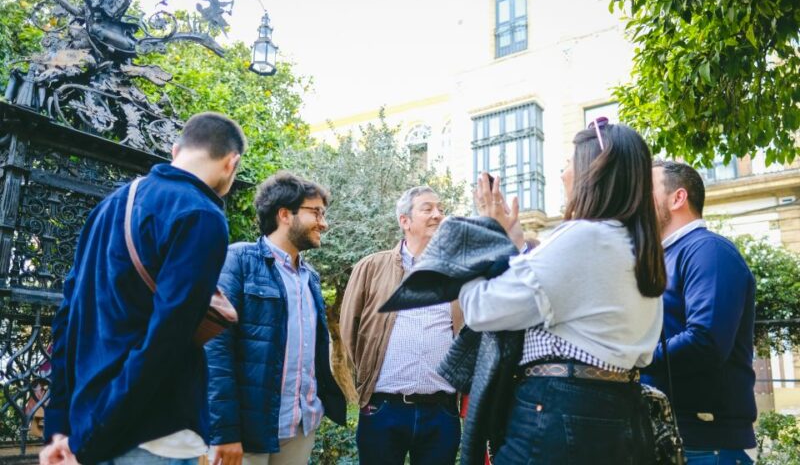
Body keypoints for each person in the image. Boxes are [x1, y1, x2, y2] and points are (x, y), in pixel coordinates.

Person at [41, 112, 246, 465]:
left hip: (86, 426)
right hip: (151, 434)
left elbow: (67, 319)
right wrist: (89, 441)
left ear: (174, 149)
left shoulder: (109, 207)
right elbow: (164, 341)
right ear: (232, 162)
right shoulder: (202, 214)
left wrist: (61, 429)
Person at [459, 119, 665, 464]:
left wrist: (484, 237)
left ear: (593, 172)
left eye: (569, 162)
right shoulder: (636, 244)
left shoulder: (584, 237)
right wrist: (516, 244)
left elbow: (482, 309)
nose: (563, 172)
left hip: (560, 408)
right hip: (618, 409)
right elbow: (565, 297)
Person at [206, 172, 346, 465]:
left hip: (300, 426)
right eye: (316, 212)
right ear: (284, 214)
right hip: (248, 431)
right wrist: (225, 431)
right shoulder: (239, 260)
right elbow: (215, 349)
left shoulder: (311, 278)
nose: (324, 222)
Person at [340, 186, 464, 465]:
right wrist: (367, 380)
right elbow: (349, 330)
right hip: (383, 409)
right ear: (404, 221)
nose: (438, 215)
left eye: (441, 209)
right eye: (428, 208)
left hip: (441, 412)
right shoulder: (371, 267)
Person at [644, 160, 756, 464]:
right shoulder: (662, 258)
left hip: (706, 446)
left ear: (678, 198)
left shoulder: (709, 250)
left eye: (646, 190)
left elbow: (705, 340)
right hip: (672, 438)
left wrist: (633, 359)